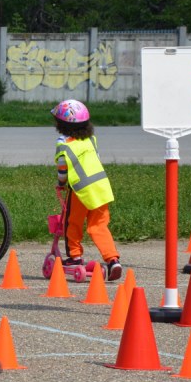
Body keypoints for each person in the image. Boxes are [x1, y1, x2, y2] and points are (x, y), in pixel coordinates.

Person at [52, 99, 122, 281]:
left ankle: (74, 257)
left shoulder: (64, 143)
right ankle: (113, 260)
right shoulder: (91, 139)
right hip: (101, 188)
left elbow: (62, 168)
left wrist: (61, 183)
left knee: (72, 223)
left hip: (81, 191)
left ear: (61, 124)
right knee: (99, 226)